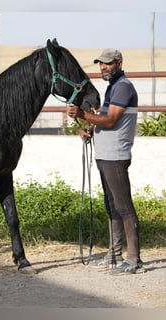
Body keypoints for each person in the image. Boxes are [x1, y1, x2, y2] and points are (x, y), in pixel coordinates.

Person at [66, 48, 143, 275]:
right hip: (106, 155)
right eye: (101, 64)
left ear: (119, 63)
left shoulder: (123, 87)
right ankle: (115, 253)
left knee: (123, 206)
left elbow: (110, 120)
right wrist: (91, 128)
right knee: (112, 206)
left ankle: (133, 259)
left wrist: (82, 115)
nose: (103, 67)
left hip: (115, 156)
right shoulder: (113, 87)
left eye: (108, 64)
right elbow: (105, 120)